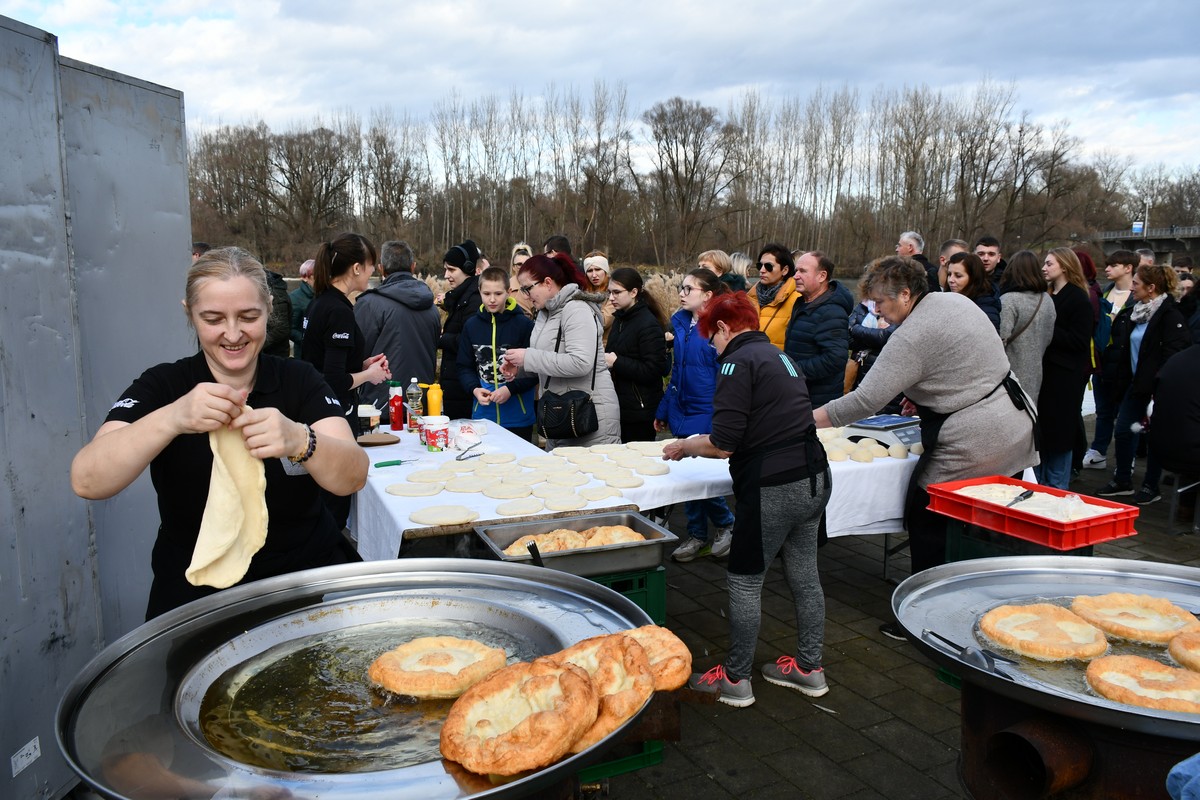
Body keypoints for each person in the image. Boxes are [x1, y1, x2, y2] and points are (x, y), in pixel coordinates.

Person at [70, 247, 368, 619]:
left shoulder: (299, 380)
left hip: (305, 587)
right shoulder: (164, 385)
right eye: (213, 318)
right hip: (197, 598)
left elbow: (354, 475)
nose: (233, 333)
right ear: (190, 313)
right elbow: (87, 480)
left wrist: (300, 440)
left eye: (248, 316)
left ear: (269, 310)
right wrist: (172, 418)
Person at [815, 256, 1036, 619]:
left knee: (928, 515)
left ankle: (926, 612)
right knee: (988, 523)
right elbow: (963, 363)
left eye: (881, 302)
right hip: (1016, 421)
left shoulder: (911, 335)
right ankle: (987, 601)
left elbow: (864, 401)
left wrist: (806, 421)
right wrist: (924, 394)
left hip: (979, 437)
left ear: (905, 294)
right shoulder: (955, 302)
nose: (877, 311)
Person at [666, 292, 831, 707]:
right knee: (805, 575)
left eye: (712, 339)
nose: (712, 348)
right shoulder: (780, 355)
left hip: (773, 485)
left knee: (744, 579)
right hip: (814, 476)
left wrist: (685, 446)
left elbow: (723, 443)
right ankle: (810, 667)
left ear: (724, 328)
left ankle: (736, 679)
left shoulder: (736, 363)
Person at [301, 233, 391, 529]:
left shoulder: (322, 302)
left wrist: (363, 364)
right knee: (334, 503)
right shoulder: (338, 310)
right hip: (332, 418)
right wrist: (370, 375)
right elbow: (333, 380)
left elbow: (325, 363)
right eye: (370, 265)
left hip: (317, 413)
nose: (373, 271)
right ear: (356, 268)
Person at [656, 268, 736, 562]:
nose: (681, 293)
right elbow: (677, 372)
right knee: (686, 477)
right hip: (681, 408)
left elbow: (727, 375)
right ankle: (697, 535)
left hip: (707, 410)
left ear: (708, 295)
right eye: (682, 287)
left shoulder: (720, 328)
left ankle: (726, 524)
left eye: (689, 288)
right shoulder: (680, 322)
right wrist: (665, 408)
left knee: (702, 478)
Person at [501, 253, 621, 447]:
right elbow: (549, 360)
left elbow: (580, 363)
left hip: (590, 416)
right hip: (560, 414)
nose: (525, 295)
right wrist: (521, 368)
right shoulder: (544, 313)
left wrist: (528, 357)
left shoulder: (577, 309)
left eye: (527, 288)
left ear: (547, 283)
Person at [1097, 264, 1190, 504]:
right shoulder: (1135, 312)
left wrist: (1160, 385)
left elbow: (1174, 355)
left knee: (1154, 438)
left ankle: (1151, 485)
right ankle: (1122, 480)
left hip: (1158, 389)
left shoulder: (1170, 316)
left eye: (1136, 283)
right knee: (1123, 430)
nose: (1132, 288)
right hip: (1135, 385)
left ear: (1151, 288)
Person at [354, 240, 440, 420]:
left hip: (380, 406)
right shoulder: (431, 307)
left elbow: (356, 355)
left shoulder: (370, 304)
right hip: (422, 404)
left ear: (381, 268)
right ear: (413, 266)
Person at [457, 266, 538, 441]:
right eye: (486, 294)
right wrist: (474, 389)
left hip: (518, 417)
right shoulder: (471, 326)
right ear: (479, 291)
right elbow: (464, 366)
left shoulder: (525, 325)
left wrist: (510, 389)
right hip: (483, 416)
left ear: (509, 292)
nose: (492, 299)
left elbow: (535, 369)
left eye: (498, 294)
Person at [1035, 248, 1093, 489]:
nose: (1044, 268)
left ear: (1065, 266)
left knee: (1059, 435)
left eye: (1049, 263)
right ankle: (1039, 488)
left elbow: (1080, 340)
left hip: (1064, 379)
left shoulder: (1078, 298)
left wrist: (1047, 331)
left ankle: (1057, 489)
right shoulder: (1048, 294)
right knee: (1043, 435)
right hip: (1046, 375)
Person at [1083, 250, 1137, 471]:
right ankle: (1098, 451)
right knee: (1103, 411)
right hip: (1103, 362)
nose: (1107, 269)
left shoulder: (1136, 296)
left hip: (1125, 365)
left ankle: (1127, 459)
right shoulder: (1104, 291)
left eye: (1113, 265)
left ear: (1128, 268)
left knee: (1126, 416)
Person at [604, 267, 669, 443]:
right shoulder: (620, 319)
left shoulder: (648, 324)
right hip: (620, 406)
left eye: (617, 292)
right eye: (609, 292)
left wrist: (616, 362)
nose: (611, 298)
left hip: (640, 411)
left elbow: (654, 370)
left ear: (633, 292)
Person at [785, 251, 854, 407]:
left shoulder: (831, 312)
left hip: (817, 402)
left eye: (802, 271)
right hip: (797, 395)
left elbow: (835, 359)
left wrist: (792, 370)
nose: (795, 276)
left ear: (822, 276)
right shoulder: (802, 303)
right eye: (796, 271)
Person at [998, 250, 1056, 402]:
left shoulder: (1008, 300)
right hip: (1036, 374)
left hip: (1008, 377)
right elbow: (1048, 337)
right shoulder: (1047, 300)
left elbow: (1000, 340)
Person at [437, 240, 484, 420]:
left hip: (464, 389)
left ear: (468, 269)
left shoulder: (474, 300)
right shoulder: (460, 297)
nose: (446, 275)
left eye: (451, 270)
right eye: (445, 269)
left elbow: (467, 341)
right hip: (456, 385)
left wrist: (441, 338)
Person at [748, 243, 800, 350]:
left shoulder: (797, 300)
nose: (762, 270)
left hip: (776, 359)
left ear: (785, 270)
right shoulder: (749, 298)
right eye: (760, 265)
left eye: (768, 266)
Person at [946, 251, 1001, 332]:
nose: (951, 280)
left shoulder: (987, 311)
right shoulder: (947, 301)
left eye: (958, 276)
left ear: (973, 278)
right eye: (949, 274)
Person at [582, 251, 615, 342]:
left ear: (605, 270)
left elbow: (603, 322)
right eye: (589, 271)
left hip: (605, 345)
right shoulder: (582, 291)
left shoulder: (614, 292)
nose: (594, 275)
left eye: (597, 269)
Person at [289, 258, 315, 353]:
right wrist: (307, 340)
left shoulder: (325, 295)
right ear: (305, 277)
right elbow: (291, 329)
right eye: (315, 275)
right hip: (304, 352)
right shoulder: (295, 298)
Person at [508, 242, 535, 315]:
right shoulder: (506, 288)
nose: (523, 267)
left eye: (526, 264)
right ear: (513, 267)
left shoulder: (540, 286)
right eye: (519, 264)